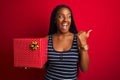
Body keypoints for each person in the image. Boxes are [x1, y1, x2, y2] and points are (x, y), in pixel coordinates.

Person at [44, 4, 92, 80]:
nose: (65, 20)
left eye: (69, 16)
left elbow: (84, 68)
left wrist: (83, 44)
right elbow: (43, 66)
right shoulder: (46, 40)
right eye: (61, 16)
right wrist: (29, 61)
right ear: (55, 20)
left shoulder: (78, 39)